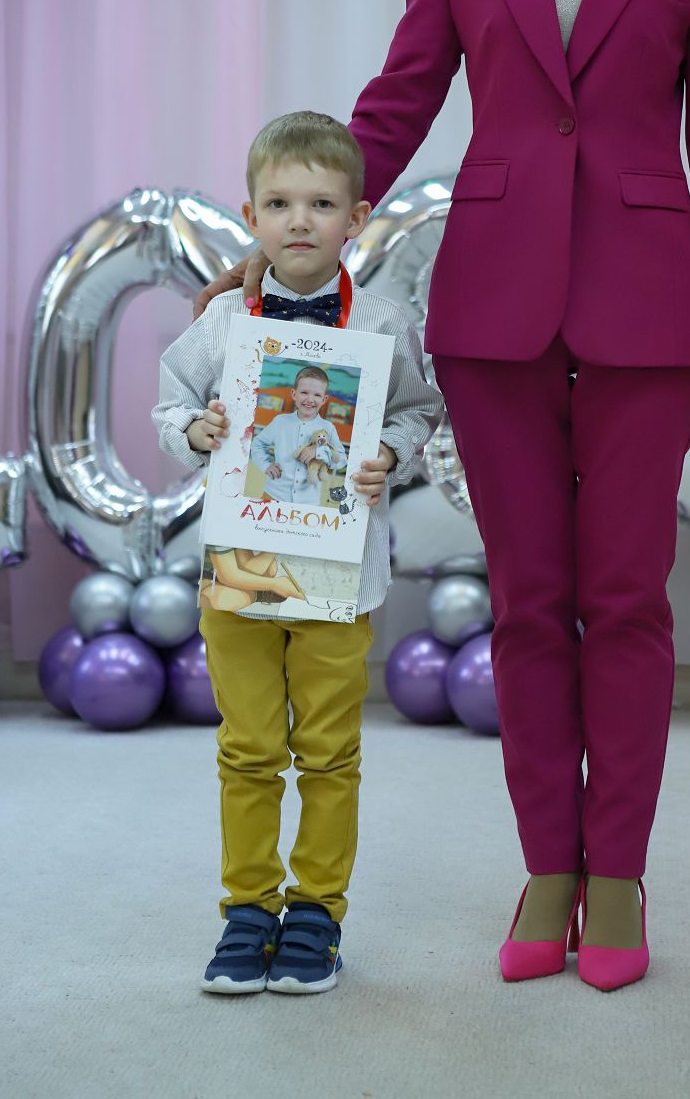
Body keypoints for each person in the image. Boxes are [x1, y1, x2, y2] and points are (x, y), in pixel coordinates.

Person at [195, 0, 690, 993]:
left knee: (626, 601)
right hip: (494, 306)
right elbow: (399, 100)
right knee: (527, 603)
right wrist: (298, 230)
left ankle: (617, 877)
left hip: (648, 305)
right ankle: (547, 866)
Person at [153, 111, 444, 996]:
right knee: (247, 748)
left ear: (357, 218)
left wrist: (388, 450)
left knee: (327, 751)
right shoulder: (222, 322)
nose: (300, 221)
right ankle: (247, 910)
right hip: (240, 571)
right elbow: (171, 402)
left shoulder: (385, 321)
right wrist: (195, 432)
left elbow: (419, 409)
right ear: (251, 216)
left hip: (336, 573)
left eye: (321, 204)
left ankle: (317, 912)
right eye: (279, 203)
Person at [249, 367, 347, 504]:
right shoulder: (280, 421)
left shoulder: (328, 428)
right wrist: (266, 465)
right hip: (273, 494)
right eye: (304, 392)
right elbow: (257, 444)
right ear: (294, 394)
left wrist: (319, 452)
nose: (310, 399)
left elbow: (342, 459)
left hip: (308, 502)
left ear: (324, 399)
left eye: (317, 395)